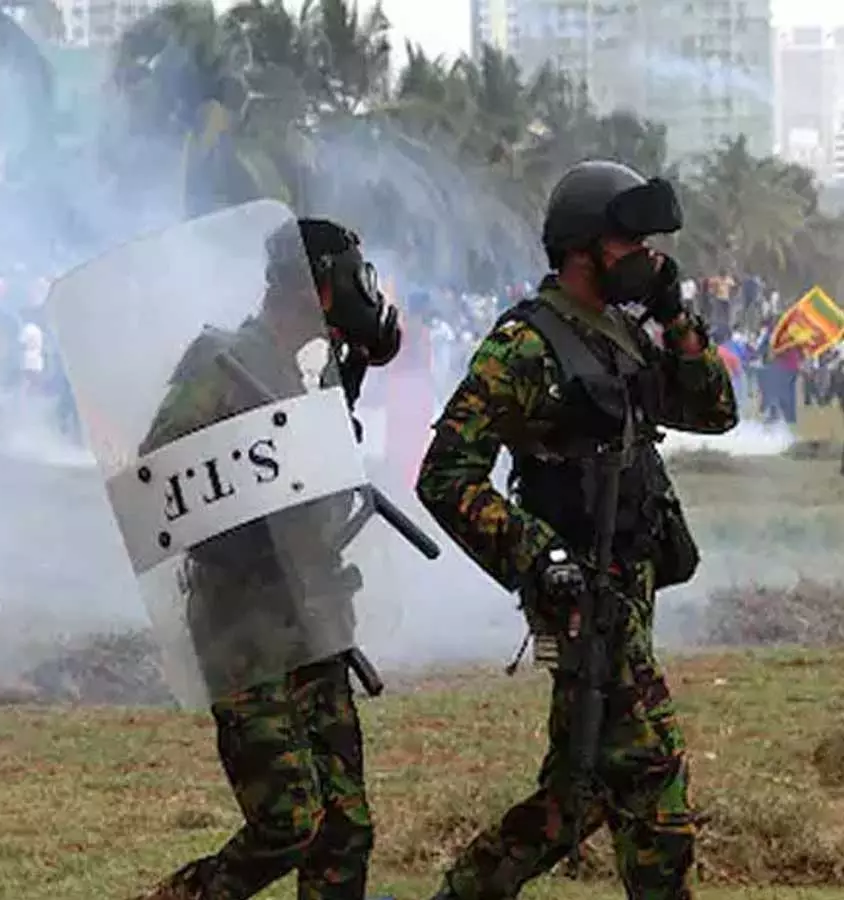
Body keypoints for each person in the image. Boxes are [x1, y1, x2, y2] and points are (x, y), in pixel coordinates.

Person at [414, 159, 738, 900]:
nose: (646, 257)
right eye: (632, 244)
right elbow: (445, 475)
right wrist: (537, 555)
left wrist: (677, 317)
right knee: (655, 780)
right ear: (584, 247)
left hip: (633, 582)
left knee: (578, 796)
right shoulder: (524, 347)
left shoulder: (623, 336)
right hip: (582, 595)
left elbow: (715, 411)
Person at [134, 218, 402, 900]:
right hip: (244, 628)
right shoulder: (222, 363)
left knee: (345, 831)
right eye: (351, 280)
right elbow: (158, 474)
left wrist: (357, 368)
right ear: (314, 287)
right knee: (288, 823)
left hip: (311, 619)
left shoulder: (302, 379)